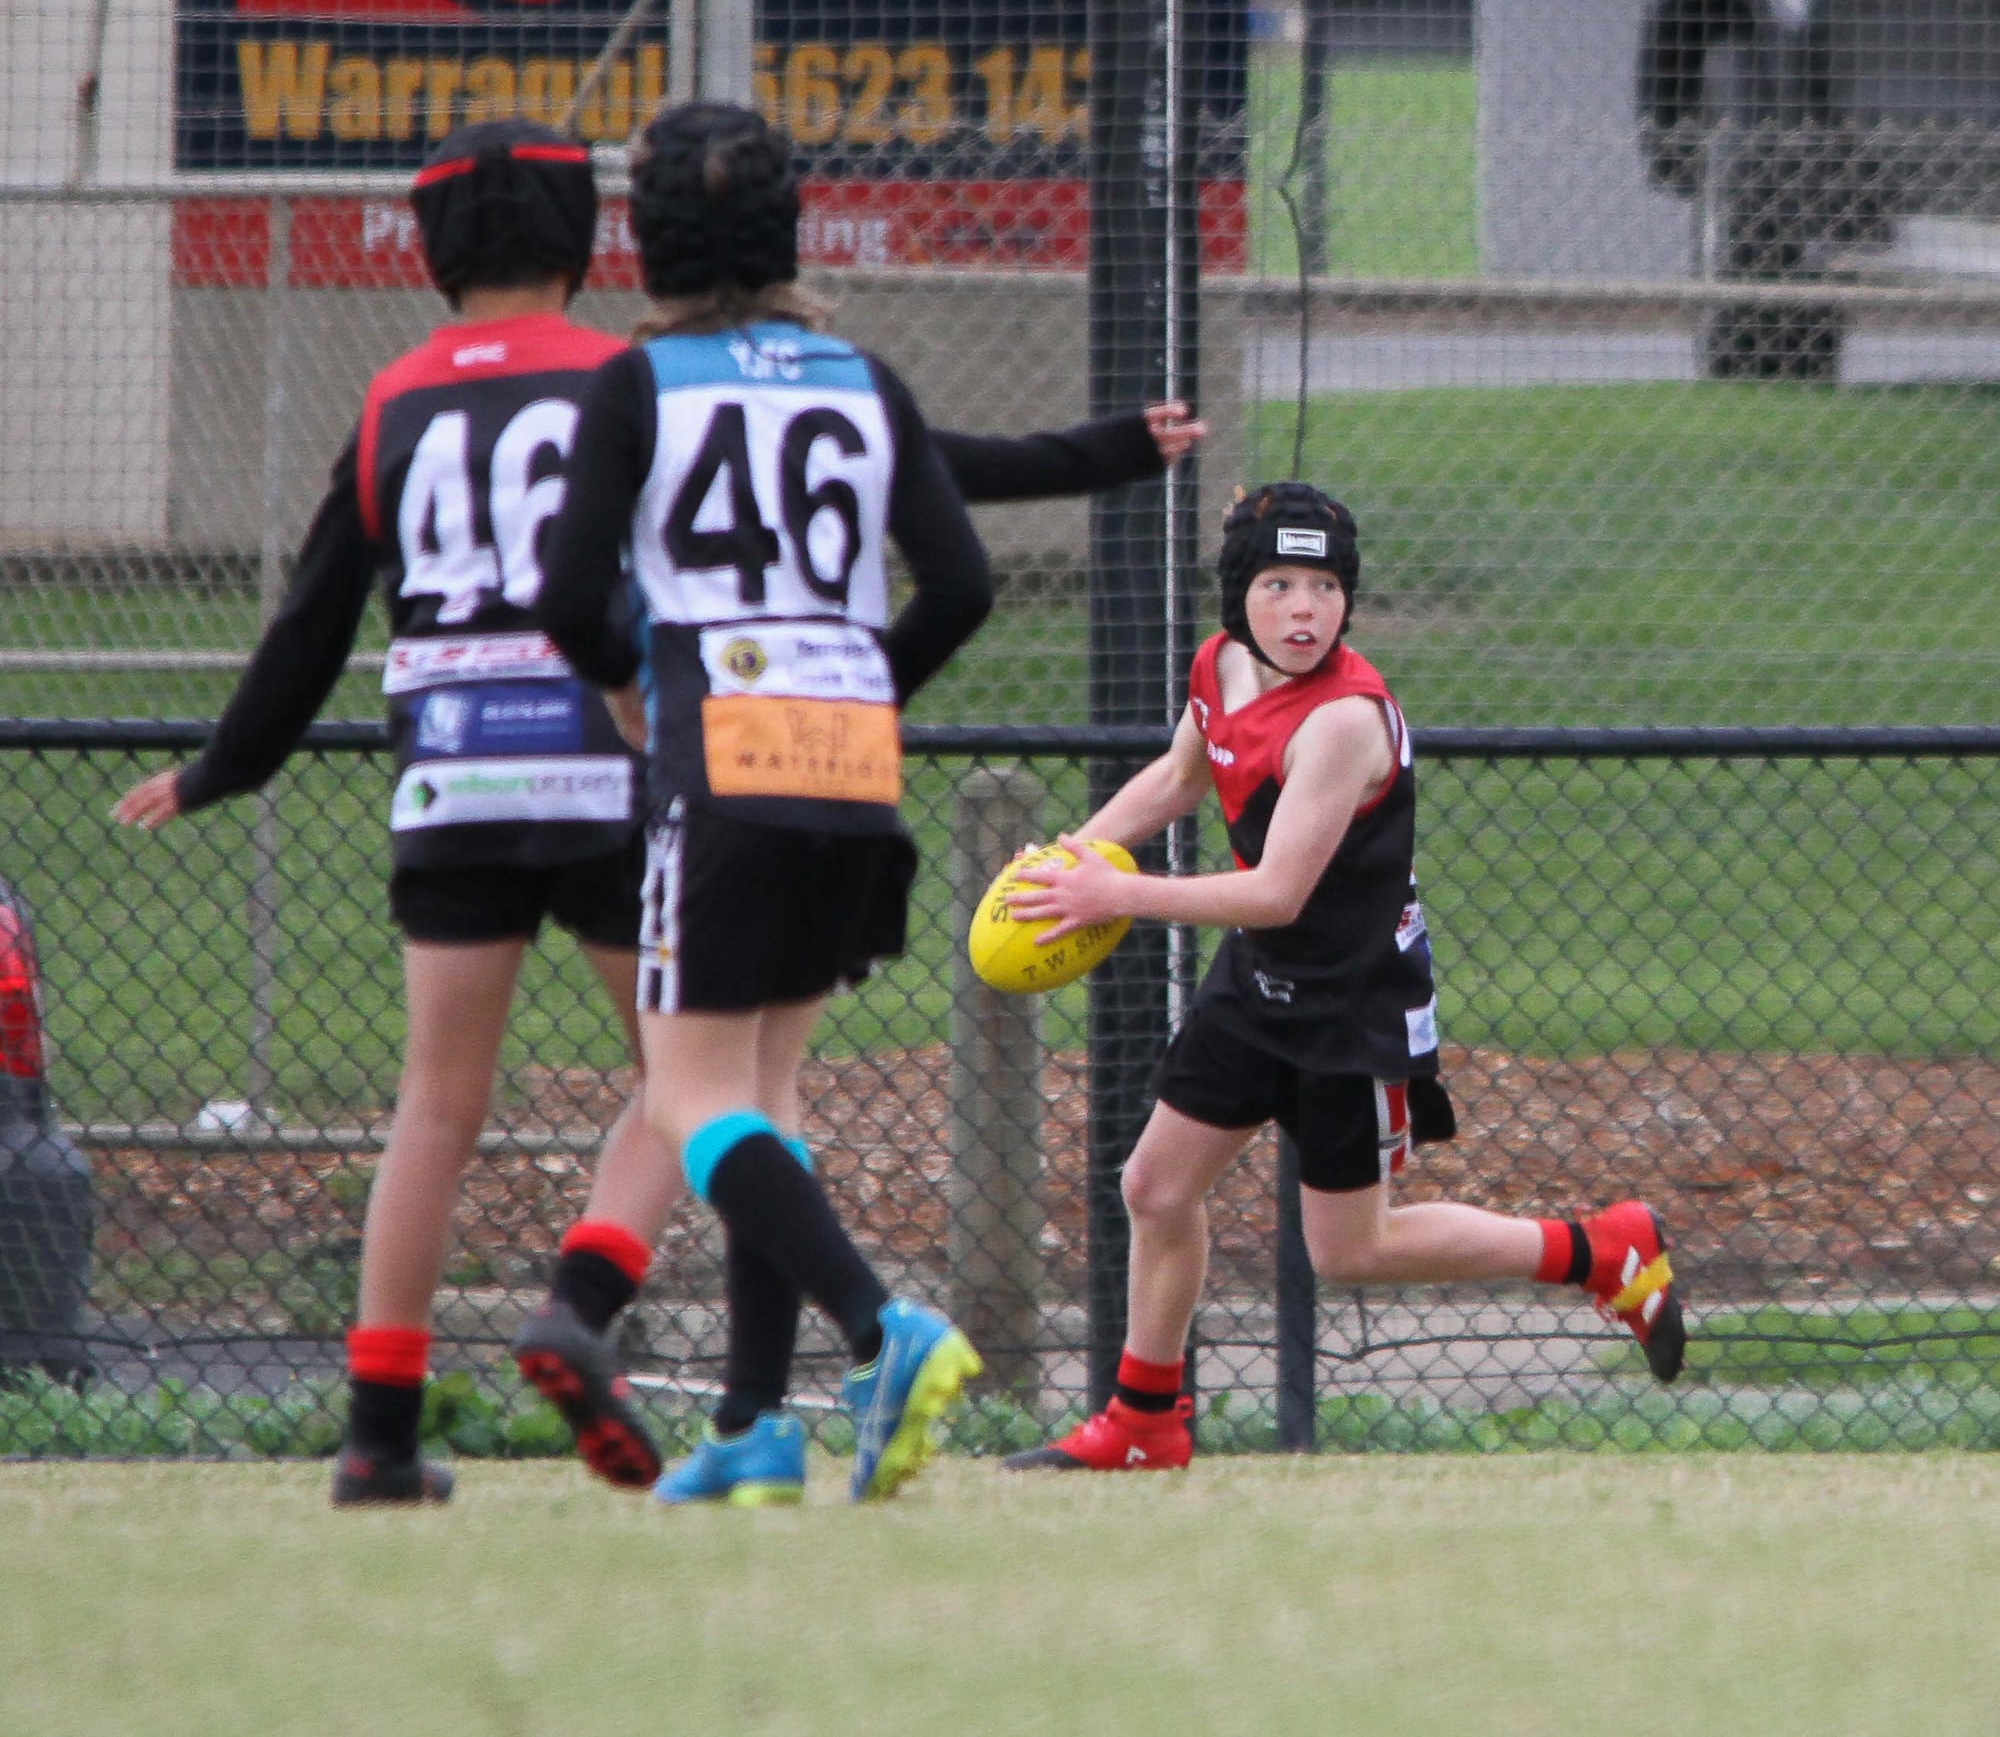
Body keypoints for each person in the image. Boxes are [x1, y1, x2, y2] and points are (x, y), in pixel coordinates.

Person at [112, 112, 1203, 1506]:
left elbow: (451, 603)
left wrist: (238, 765)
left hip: (587, 770)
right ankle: (688, 1371)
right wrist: (904, 654)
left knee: (586, 1095)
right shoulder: (805, 373)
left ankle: (813, 1341)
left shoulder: (563, 388)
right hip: (752, 776)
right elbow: (943, 510)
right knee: (747, 1086)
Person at [996, 481, 1686, 1474]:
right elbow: (1179, 777)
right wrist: (1073, 854)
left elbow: (1276, 890)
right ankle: (1145, 1419)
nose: (1302, 608)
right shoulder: (1220, 665)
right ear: (1239, 598)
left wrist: (1114, 896)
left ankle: (1597, 1250)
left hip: (1348, 1005)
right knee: (1152, 1184)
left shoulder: (1342, 722)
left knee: (1348, 1251)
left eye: (1322, 585)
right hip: (1255, 985)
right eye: (1276, 584)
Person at [529, 97, 1002, 1505]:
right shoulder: (859, 376)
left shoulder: (642, 380)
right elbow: (964, 584)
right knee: (763, 1094)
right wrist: (862, 682)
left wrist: (633, 685)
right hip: (849, 773)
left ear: (648, 238)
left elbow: (565, 596)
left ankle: (881, 1328)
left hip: (721, 767)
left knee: (689, 1098)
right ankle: (747, 1424)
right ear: (788, 224)